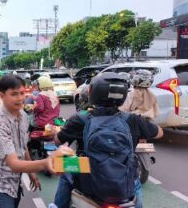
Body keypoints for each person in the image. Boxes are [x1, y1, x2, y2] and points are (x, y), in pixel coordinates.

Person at [51, 72, 164, 208]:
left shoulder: (80, 119)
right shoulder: (133, 119)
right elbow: (159, 133)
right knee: (134, 179)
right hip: (124, 180)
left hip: (87, 178)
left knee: (66, 171)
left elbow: (57, 141)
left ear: (93, 92)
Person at [0, 74, 75, 208]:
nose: (20, 98)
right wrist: (46, 163)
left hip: (14, 179)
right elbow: (13, 164)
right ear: (1, 96)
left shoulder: (23, 116)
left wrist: (31, 173)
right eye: (14, 94)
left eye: (22, 93)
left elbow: (22, 146)